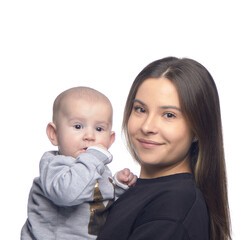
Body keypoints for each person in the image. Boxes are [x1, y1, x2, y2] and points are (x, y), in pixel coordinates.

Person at [97, 57, 231, 240]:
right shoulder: (132, 190)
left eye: (169, 115)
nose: (147, 126)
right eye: (140, 109)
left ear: (197, 130)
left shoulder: (173, 207)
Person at [21, 86, 137, 240]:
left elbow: (100, 206)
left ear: (110, 140)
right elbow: (68, 194)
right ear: (54, 134)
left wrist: (118, 187)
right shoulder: (55, 165)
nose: (89, 136)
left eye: (99, 129)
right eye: (78, 126)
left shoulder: (98, 169)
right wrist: (93, 158)